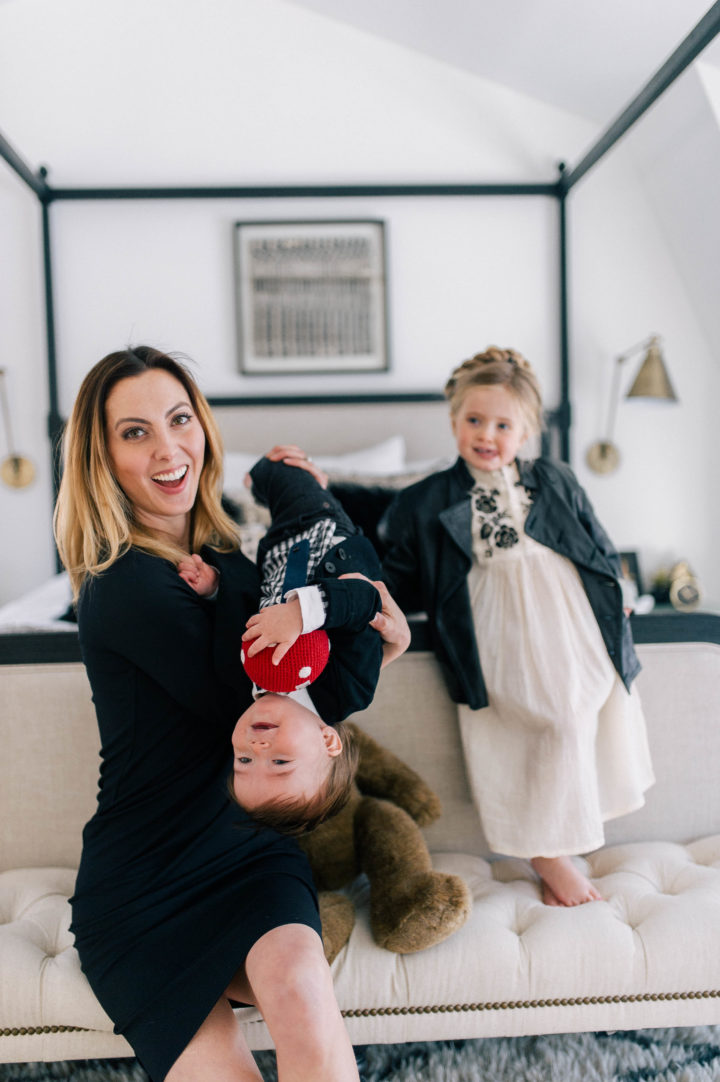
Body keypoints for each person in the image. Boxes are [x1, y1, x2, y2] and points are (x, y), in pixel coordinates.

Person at [53, 345, 363, 1082]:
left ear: (204, 427)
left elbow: (326, 638)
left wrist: (320, 507)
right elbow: (268, 699)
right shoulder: (123, 584)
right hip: (144, 882)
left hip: (249, 855)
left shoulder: (233, 558)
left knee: (305, 1002)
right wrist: (352, 620)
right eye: (134, 433)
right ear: (102, 459)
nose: (168, 450)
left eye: (179, 419)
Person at [380, 346, 655, 907]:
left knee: (585, 710)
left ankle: (563, 838)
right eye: (474, 420)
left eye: (504, 424)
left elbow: (597, 544)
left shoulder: (554, 479)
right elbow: (400, 578)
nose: (487, 434)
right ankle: (546, 854)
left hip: (571, 621)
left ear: (527, 429)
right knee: (548, 720)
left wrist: (618, 593)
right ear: (454, 420)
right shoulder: (426, 501)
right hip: (498, 632)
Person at [179, 454, 410, 834]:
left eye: (244, 761)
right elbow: (365, 600)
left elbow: (243, 613)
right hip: (325, 537)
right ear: (327, 740)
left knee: (217, 520)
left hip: (277, 553)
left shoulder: (239, 679)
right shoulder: (348, 690)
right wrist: (303, 615)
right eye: (281, 763)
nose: (258, 749)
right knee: (274, 471)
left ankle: (256, 483)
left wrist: (215, 587)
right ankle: (291, 472)